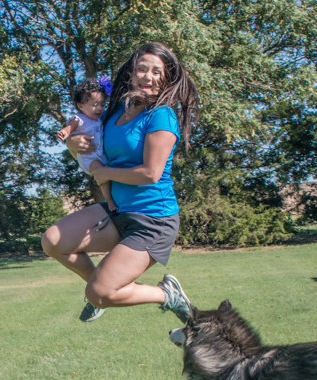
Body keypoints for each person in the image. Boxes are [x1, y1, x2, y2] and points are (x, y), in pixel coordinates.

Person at [41, 42, 200, 323]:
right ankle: (102, 291)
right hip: (118, 211)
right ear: (131, 73)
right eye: (142, 69)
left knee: (98, 292)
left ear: (165, 78)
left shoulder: (161, 115)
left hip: (153, 219)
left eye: (156, 72)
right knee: (53, 242)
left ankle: (167, 295)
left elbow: (150, 173)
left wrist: (107, 174)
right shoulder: (114, 113)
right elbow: (90, 142)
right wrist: (73, 144)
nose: (148, 77)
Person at [56, 77, 118, 214]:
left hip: (100, 155)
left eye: (102, 104)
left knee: (105, 172)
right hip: (89, 158)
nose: (99, 108)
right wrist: (65, 134)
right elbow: (70, 127)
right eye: (94, 105)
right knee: (102, 174)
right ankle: (109, 201)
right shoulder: (80, 119)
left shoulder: (101, 118)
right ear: (81, 105)